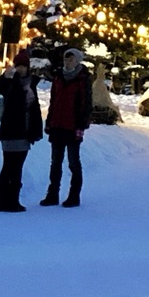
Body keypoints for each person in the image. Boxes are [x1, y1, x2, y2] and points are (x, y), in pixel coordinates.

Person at [0, 49, 42, 213]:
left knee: (17, 167)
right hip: (11, 130)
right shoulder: (11, 82)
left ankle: (13, 199)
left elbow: (35, 109)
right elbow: (1, 89)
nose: (21, 69)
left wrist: (36, 129)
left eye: (23, 66)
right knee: (9, 166)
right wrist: (5, 76)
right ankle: (4, 200)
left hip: (25, 132)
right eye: (18, 65)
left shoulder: (31, 84)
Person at [42, 47, 91, 208]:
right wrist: (49, 121)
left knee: (73, 162)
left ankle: (74, 195)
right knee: (55, 162)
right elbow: (53, 101)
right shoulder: (58, 77)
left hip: (72, 126)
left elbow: (86, 103)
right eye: (66, 59)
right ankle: (52, 194)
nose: (68, 62)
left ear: (77, 61)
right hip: (57, 124)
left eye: (71, 60)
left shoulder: (83, 79)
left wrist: (82, 124)